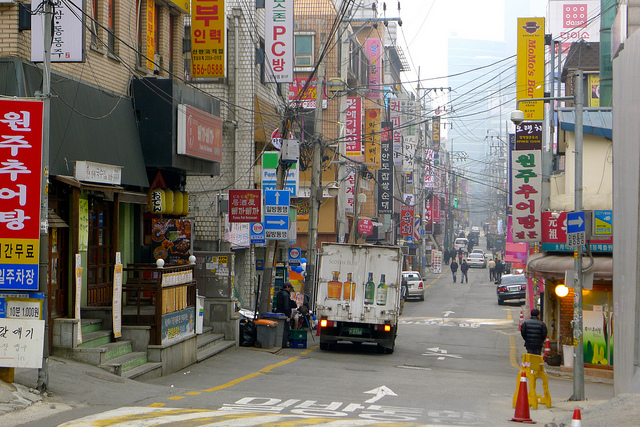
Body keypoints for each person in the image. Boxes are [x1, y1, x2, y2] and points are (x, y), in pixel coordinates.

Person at [275, 282, 296, 348]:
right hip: (284, 314)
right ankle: (283, 344)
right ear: (287, 287)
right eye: (289, 288)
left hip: (279, 313)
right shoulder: (286, 295)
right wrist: (288, 315)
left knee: (279, 329)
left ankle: (278, 343)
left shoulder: (279, 293)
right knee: (285, 330)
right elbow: (286, 306)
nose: (290, 289)